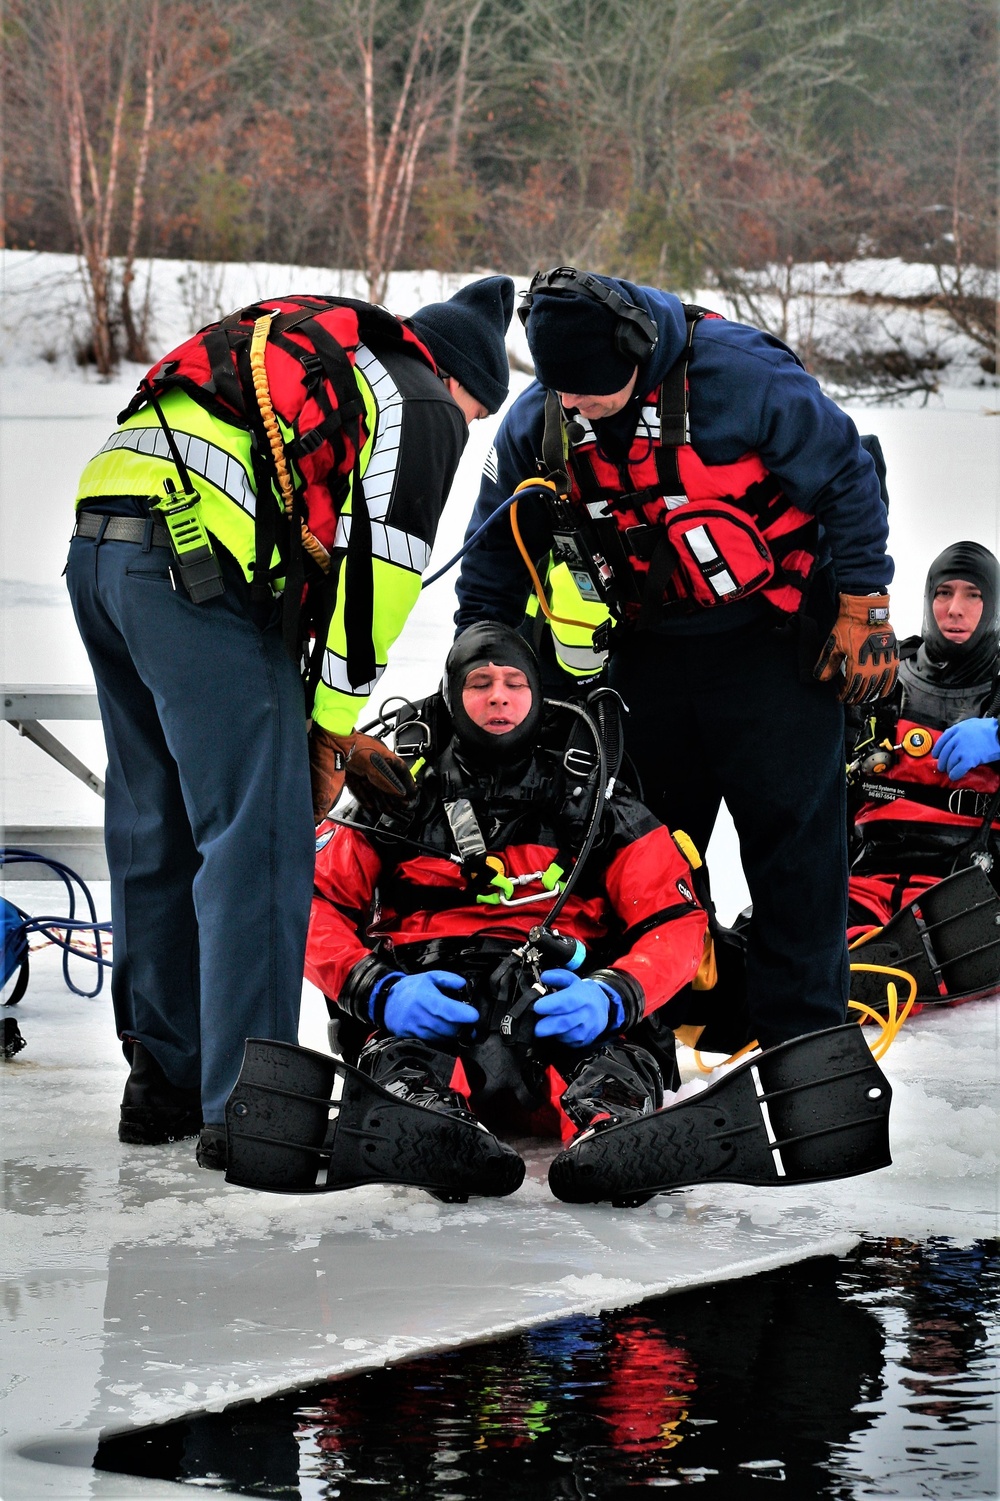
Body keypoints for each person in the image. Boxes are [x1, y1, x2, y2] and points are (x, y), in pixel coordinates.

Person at [65, 277, 515, 1168]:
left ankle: (165, 1080)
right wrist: (330, 730)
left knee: (158, 824)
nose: (463, 434)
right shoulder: (425, 399)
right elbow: (381, 578)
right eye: (476, 416)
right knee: (260, 840)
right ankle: (255, 1108)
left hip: (101, 545)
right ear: (469, 387)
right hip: (195, 568)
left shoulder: (330, 349)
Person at [454, 265, 898, 1052]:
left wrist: (865, 606)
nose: (577, 406)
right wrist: (477, 651)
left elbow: (848, 478)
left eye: (593, 389)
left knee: (795, 851)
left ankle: (805, 1044)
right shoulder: (543, 416)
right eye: (565, 392)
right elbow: (493, 543)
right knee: (640, 847)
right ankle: (640, 1032)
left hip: (775, 644)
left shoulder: (747, 379)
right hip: (651, 651)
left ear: (634, 350)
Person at [304, 622, 708, 1194]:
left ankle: (616, 1131)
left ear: (538, 697)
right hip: (431, 1009)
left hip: (564, 1008)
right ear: (450, 697)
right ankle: (428, 1126)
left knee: (611, 1066)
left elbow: (675, 920)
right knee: (405, 1064)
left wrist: (614, 994)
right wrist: (379, 991)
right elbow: (310, 905)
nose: (498, 695)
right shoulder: (394, 797)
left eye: (515, 681)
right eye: (479, 682)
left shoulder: (592, 800)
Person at [848, 541, 1000, 934]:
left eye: (974, 595)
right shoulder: (882, 676)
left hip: (974, 887)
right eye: (944, 592)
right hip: (868, 882)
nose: (955, 609)